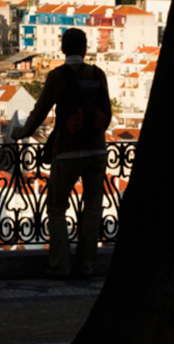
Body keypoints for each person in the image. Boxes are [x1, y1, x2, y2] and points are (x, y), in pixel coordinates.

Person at [15, 27, 112, 280]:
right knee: (92, 208)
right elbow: (108, 113)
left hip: (67, 150)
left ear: (62, 49)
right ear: (85, 48)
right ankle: (86, 266)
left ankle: (61, 265)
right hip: (97, 149)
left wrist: (21, 133)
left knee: (57, 209)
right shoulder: (98, 73)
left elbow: (40, 111)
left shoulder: (58, 76)